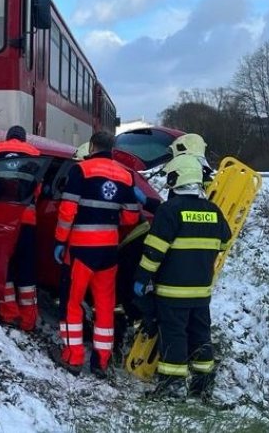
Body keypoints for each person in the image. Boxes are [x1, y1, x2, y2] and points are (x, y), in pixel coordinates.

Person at [132, 153, 232, 399]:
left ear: (176, 180)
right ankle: (202, 384)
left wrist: (141, 278)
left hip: (172, 290)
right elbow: (224, 242)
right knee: (200, 334)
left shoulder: (169, 211)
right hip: (201, 291)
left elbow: (154, 251)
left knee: (174, 335)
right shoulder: (213, 210)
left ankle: (172, 386)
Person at [54, 131, 141, 377]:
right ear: (111, 148)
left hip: (81, 249)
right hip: (109, 251)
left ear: (92, 146)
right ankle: (101, 363)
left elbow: (67, 210)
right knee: (105, 306)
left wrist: (60, 240)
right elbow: (131, 216)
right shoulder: (125, 176)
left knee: (72, 302)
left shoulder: (81, 171)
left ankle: (73, 357)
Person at [0, 125, 42, 331]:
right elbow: (37, 190)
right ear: (23, 139)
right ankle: (29, 319)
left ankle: (9, 313)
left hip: (1, 217)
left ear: (8, 137)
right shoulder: (36, 155)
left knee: (3, 266)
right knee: (26, 267)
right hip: (26, 218)